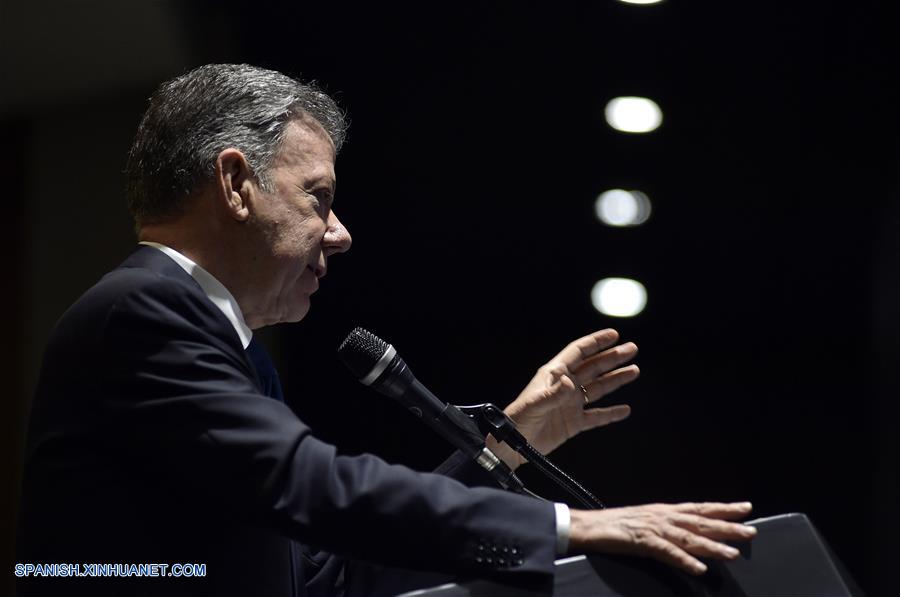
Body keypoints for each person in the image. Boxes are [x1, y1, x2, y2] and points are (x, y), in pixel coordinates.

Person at [15, 64, 756, 597]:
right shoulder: (142, 313)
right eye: (319, 198)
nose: (339, 234)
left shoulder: (230, 353)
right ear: (236, 185)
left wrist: (502, 445)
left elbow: (331, 573)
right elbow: (314, 484)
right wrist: (574, 528)